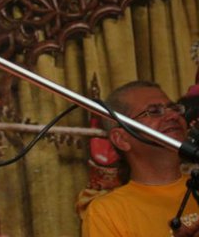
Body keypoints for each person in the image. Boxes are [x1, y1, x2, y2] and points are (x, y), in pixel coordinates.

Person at [82, 80, 199, 237]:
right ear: (121, 140)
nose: (173, 115)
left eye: (175, 108)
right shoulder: (107, 212)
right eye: (154, 111)